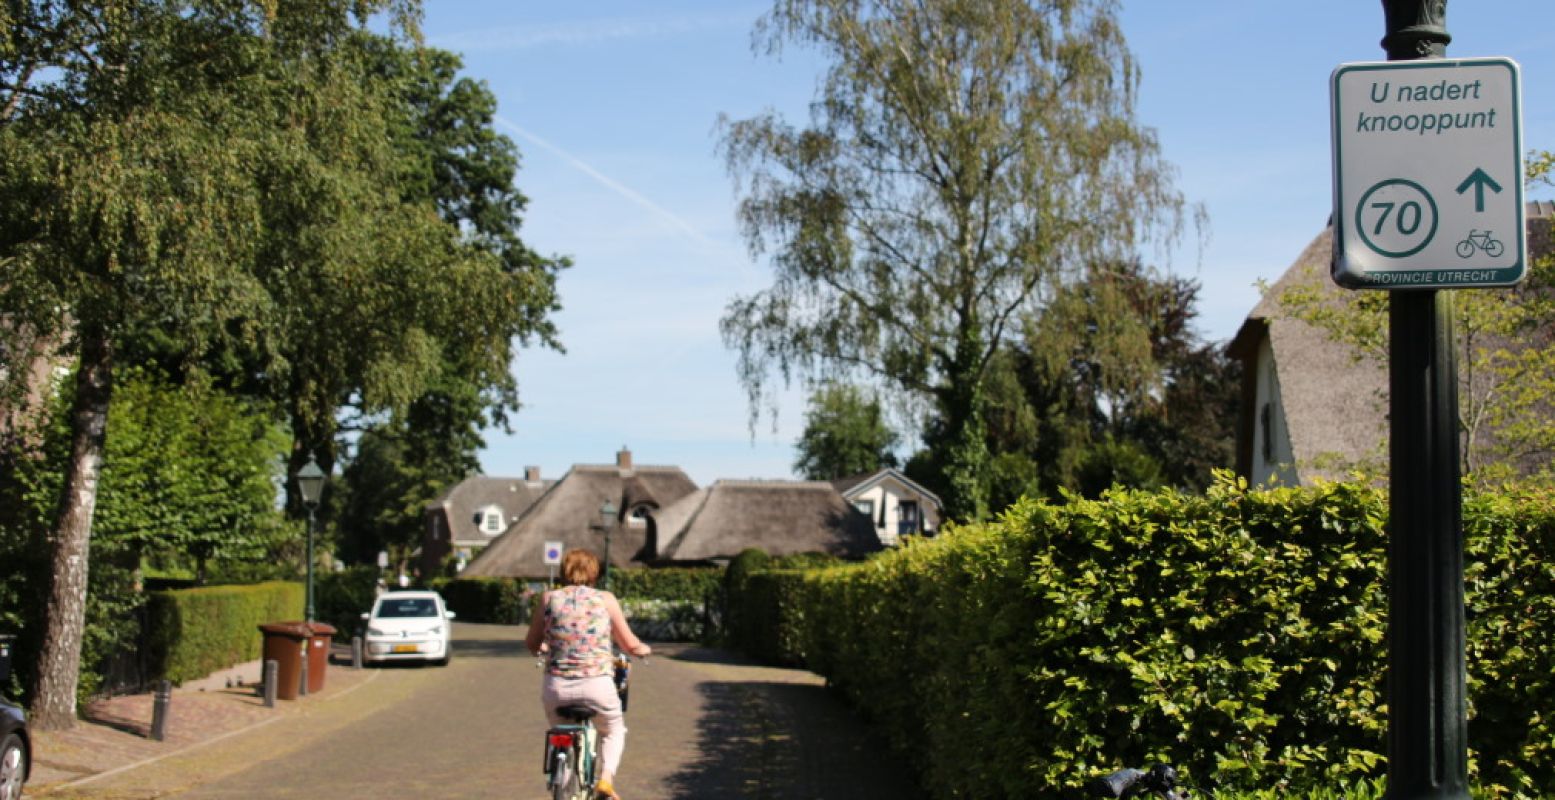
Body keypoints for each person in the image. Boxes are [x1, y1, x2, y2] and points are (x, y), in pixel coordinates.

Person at [526, 549, 651, 800]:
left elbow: (531, 642)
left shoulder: (548, 599)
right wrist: (643, 650)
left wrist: (542, 648)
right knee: (613, 730)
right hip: (597, 686)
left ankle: (563, 770)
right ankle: (605, 779)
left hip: (557, 688)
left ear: (564, 571)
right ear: (594, 572)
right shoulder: (605, 600)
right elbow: (628, 643)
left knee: (563, 728)